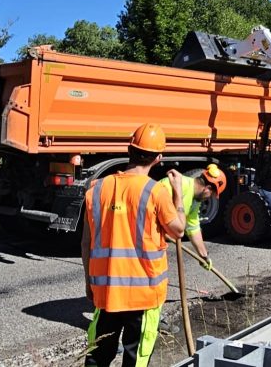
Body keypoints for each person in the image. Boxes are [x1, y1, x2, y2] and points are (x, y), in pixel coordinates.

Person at [81, 123, 186, 367]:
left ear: (129, 149)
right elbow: (179, 230)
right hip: (144, 294)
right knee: (135, 359)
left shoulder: (96, 189)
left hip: (106, 292)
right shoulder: (156, 192)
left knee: (97, 357)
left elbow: (86, 242)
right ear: (158, 158)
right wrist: (178, 193)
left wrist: (88, 282)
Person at [163, 163, 227, 271]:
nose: (208, 198)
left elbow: (193, 227)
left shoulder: (195, 199)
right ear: (207, 189)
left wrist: (204, 255)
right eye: (210, 195)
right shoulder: (175, 185)